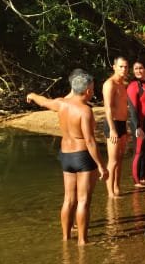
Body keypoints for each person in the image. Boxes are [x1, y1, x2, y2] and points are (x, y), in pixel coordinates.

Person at [26, 69, 107, 245]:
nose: (93, 92)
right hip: (82, 155)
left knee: (69, 199)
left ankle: (65, 238)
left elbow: (44, 102)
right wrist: (101, 165)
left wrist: (32, 95)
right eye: (92, 89)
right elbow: (90, 141)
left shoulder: (61, 104)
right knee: (83, 200)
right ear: (86, 91)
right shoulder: (85, 111)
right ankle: (82, 242)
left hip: (65, 156)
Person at [101, 57, 129, 199]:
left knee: (120, 159)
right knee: (112, 161)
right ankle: (110, 193)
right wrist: (112, 129)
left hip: (122, 124)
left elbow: (123, 107)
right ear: (114, 67)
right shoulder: (109, 84)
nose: (124, 69)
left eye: (125, 67)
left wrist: (126, 127)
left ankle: (117, 188)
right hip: (113, 124)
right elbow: (108, 109)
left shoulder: (122, 84)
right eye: (121, 66)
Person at [127, 61, 145, 187]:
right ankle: (136, 180)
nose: (138, 71)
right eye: (136, 69)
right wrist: (137, 127)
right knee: (139, 152)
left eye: (141, 68)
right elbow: (133, 108)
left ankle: (143, 177)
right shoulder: (133, 86)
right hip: (140, 124)